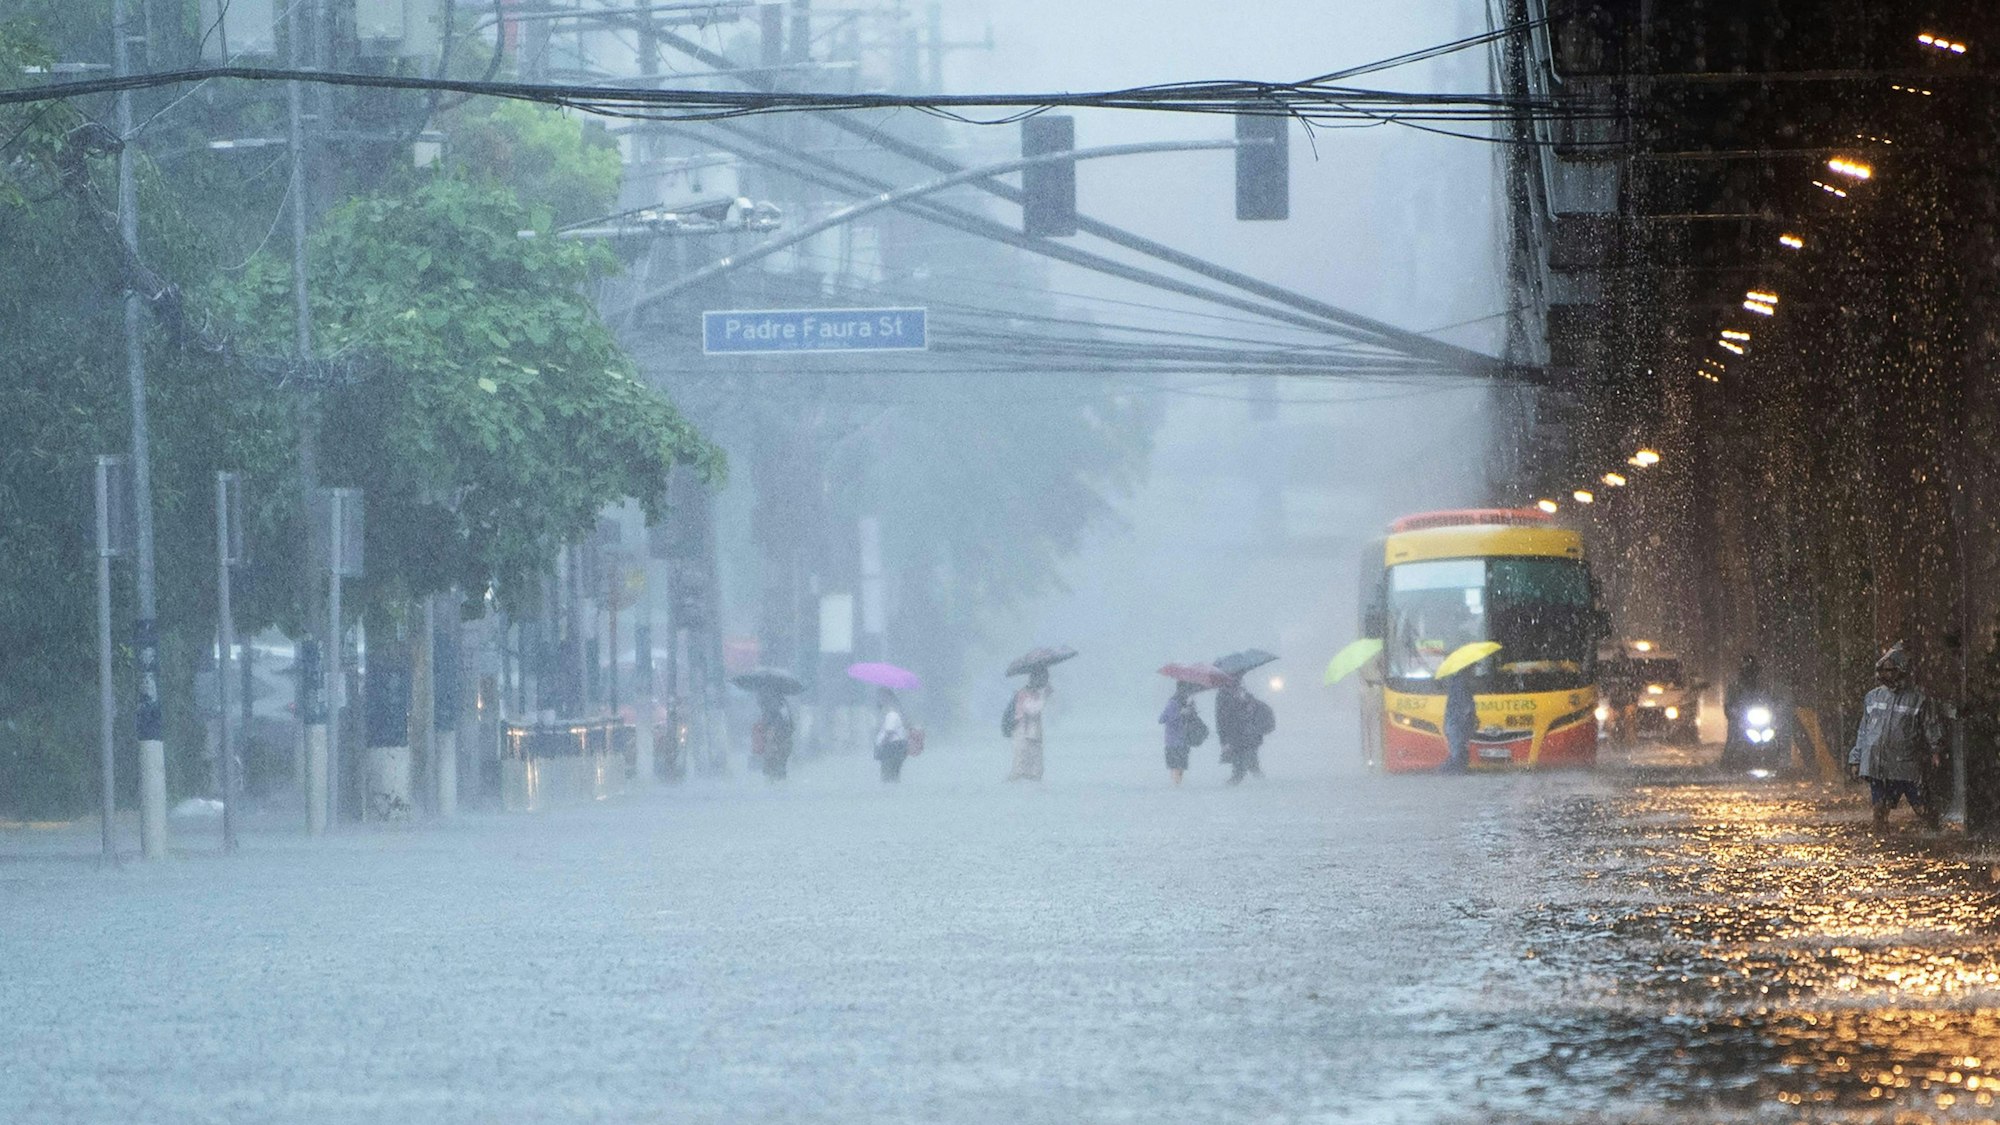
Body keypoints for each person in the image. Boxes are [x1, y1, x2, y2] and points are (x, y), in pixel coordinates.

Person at [1848, 643, 1946, 829]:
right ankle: (1881, 847)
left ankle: (1936, 834)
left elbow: (1931, 727)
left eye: (1891, 671)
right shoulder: (1873, 697)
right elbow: (1864, 731)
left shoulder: (1919, 699)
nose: (1886, 675)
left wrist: (1936, 751)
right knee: (1879, 811)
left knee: (1922, 809)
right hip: (1878, 765)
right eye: (1884, 671)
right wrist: (1856, 758)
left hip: (1905, 766)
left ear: (1902, 671)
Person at [1215, 676, 1275, 785]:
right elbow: (1223, 719)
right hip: (1238, 736)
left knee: (1248, 764)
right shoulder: (1224, 696)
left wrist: (1247, 703)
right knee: (1243, 766)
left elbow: (1223, 719)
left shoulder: (1241, 693)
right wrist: (1224, 740)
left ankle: (1260, 784)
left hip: (1246, 735)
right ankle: (1258, 784)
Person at [1006, 667, 1052, 781]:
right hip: (1023, 733)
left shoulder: (1034, 693)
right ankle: (1014, 787)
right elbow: (1033, 710)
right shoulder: (1024, 693)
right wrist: (1045, 696)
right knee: (1021, 765)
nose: (1046, 681)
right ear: (1036, 678)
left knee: (1036, 765)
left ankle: (1032, 786)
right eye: (1044, 678)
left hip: (1033, 733)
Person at [1158, 681, 1208, 786]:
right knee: (1176, 765)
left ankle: (1177, 785)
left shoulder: (1186, 702)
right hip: (1173, 740)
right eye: (1185, 689)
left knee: (1181, 765)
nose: (1187, 692)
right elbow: (1162, 719)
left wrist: (1192, 709)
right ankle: (1176, 786)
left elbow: (1191, 719)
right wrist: (1179, 713)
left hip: (1184, 740)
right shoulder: (1173, 702)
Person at [752, 689, 795, 781]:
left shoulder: (771, 710)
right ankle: (778, 782)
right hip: (782, 742)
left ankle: (774, 783)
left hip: (776, 742)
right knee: (779, 764)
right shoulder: (783, 706)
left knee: (774, 763)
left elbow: (771, 729)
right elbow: (791, 726)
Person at [1441, 669, 1476, 774]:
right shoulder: (1461, 683)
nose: (1473, 670)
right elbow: (1465, 703)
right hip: (1458, 722)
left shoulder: (1457, 681)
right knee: (1458, 748)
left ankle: (1456, 769)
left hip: (1455, 721)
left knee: (1459, 747)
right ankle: (1452, 770)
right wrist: (1470, 715)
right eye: (1472, 666)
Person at [874, 687, 911, 783]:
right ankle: (893, 792)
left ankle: (890, 794)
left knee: (888, 775)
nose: (879, 700)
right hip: (895, 748)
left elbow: (889, 732)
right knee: (892, 775)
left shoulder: (892, 714)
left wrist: (881, 746)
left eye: (881, 697)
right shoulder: (891, 714)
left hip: (892, 748)